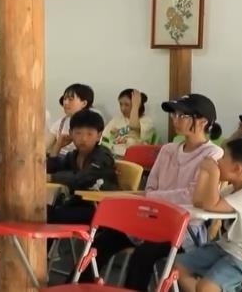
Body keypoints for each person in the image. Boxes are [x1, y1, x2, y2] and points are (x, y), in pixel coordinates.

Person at [84, 94, 224, 290]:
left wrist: (154, 198)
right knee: (101, 242)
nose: (175, 120)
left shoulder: (213, 153)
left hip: (183, 227)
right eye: (174, 115)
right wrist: (154, 197)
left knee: (143, 255)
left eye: (183, 116)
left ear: (203, 121)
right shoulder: (168, 149)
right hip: (148, 219)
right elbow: (150, 187)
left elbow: (193, 196)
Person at [176, 138, 242, 292]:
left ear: (236, 168)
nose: (218, 161)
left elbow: (212, 205)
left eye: (223, 157)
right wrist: (204, 173)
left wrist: (213, 174)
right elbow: (199, 202)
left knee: (206, 287)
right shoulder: (233, 189)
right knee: (178, 267)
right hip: (227, 246)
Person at [47, 110, 118, 225]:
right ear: (70, 133)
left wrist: (51, 177)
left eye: (89, 134)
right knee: (40, 211)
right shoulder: (73, 156)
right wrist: (57, 146)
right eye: (78, 133)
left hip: (100, 209)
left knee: (47, 215)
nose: (84, 138)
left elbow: (83, 178)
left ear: (99, 135)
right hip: (77, 204)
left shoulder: (103, 156)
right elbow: (52, 170)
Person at [103, 89, 156, 155]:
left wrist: (135, 107)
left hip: (136, 156)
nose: (123, 108)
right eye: (120, 104)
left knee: (131, 141)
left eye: (127, 105)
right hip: (114, 156)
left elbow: (134, 130)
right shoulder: (117, 119)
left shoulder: (147, 122)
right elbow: (104, 138)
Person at [48, 83, 96, 157]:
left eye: (70, 99)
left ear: (84, 103)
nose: (65, 103)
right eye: (64, 99)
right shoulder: (61, 122)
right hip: (57, 160)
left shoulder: (92, 123)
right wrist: (58, 144)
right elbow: (44, 146)